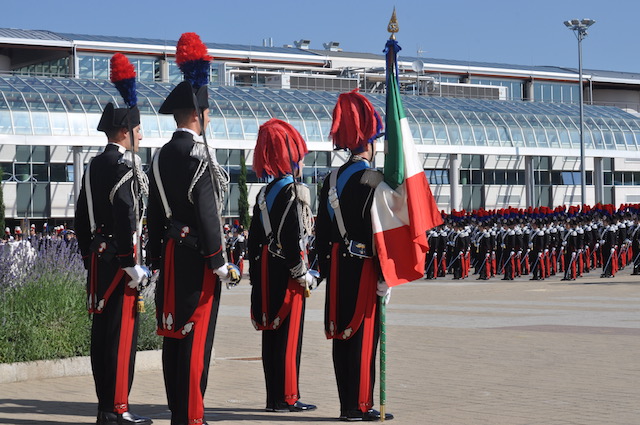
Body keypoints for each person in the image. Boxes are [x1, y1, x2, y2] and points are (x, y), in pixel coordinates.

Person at [146, 32, 239, 425]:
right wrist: (219, 261)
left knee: (173, 336)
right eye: (208, 112)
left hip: (169, 256)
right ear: (198, 115)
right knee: (196, 337)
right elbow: (207, 211)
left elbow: (153, 214)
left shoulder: (158, 156)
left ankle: (178, 410)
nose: (210, 118)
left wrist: (154, 258)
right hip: (198, 258)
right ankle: (191, 415)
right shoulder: (200, 155)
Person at [74, 53, 152, 425]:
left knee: (101, 337)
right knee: (121, 339)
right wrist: (130, 262)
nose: (141, 136)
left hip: (98, 263)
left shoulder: (93, 165)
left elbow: (80, 219)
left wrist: (90, 254)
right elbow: (126, 216)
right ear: (124, 132)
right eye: (138, 130)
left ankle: (105, 406)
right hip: (121, 265)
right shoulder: (123, 167)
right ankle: (118, 408)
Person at [316, 89, 394, 422]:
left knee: (342, 335)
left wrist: (325, 268)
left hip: (337, 265)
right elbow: (378, 231)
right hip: (364, 266)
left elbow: (321, 231)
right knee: (363, 335)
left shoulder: (331, 178)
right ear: (370, 141)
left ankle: (346, 404)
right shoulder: (373, 179)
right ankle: (361, 405)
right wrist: (385, 275)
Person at [248, 118, 318, 413]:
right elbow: (293, 237)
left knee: (271, 335)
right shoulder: (294, 191)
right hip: (287, 272)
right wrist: (301, 273)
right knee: (289, 336)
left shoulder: (264, 193)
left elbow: (253, 241)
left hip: (266, 270)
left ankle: (273, 397)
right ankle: (288, 397)